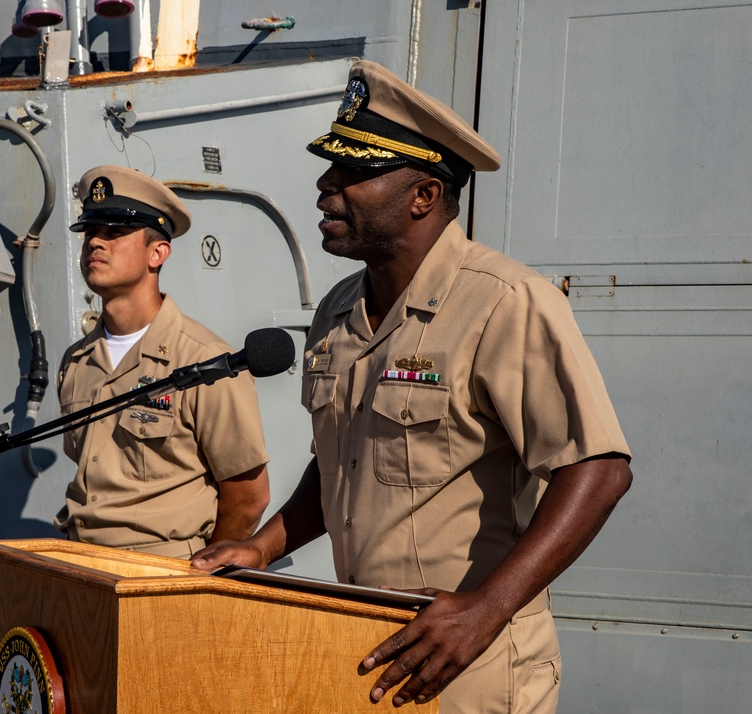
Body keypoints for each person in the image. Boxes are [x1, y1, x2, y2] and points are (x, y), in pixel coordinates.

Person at [191, 60, 633, 712]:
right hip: (367, 653)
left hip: (468, 661)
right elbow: (340, 464)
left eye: (352, 174)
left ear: (423, 195)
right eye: (328, 170)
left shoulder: (504, 302)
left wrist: (484, 611)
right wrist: (262, 544)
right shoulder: (337, 310)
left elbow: (596, 470)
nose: (324, 187)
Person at [53, 165, 272, 559]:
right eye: (90, 233)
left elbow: (248, 498)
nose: (95, 244)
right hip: (81, 565)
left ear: (158, 253)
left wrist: (195, 572)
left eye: (115, 233)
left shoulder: (205, 362)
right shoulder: (76, 363)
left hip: (161, 573)